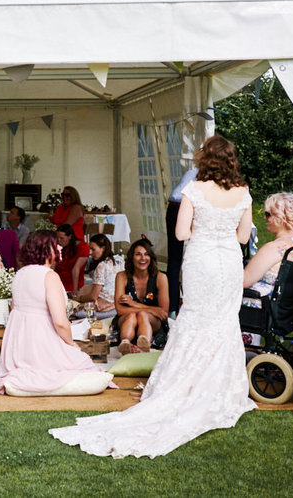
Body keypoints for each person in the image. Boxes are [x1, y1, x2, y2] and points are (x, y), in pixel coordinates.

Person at [50, 135, 255, 458]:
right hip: (228, 261)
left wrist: (205, 231)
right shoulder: (243, 191)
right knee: (224, 320)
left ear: (206, 159)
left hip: (202, 260)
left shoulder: (194, 190)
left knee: (195, 319)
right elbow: (243, 237)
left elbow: (181, 233)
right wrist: (221, 232)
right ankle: (221, 387)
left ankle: (186, 385)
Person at [0, 230, 101, 395]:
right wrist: (71, 344)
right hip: (40, 342)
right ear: (45, 248)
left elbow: (14, 309)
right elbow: (60, 322)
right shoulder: (49, 276)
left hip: (18, 345)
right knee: (84, 362)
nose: (60, 247)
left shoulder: (20, 274)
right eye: (56, 244)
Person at [242, 192, 293, 296]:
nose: (264, 218)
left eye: (268, 214)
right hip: (289, 304)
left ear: (282, 216)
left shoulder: (274, 248)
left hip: (262, 303)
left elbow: (244, 281)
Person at [114, 238, 169, 352]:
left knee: (142, 315)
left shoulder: (161, 278)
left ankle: (144, 344)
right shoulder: (121, 276)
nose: (143, 258)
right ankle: (125, 344)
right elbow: (120, 310)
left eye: (146, 254)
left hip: (153, 322)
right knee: (132, 316)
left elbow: (163, 313)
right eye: (138, 254)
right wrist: (152, 310)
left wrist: (133, 304)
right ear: (131, 257)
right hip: (126, 319)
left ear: (151, 258)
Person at [165, 167, 197, 314]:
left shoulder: (193, 171)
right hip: (182, 207)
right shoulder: (209, 175)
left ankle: (172, 308)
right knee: (181, 260)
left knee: (174, 260)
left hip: (174, 207)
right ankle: (177, 307)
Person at [76, 234, 119, 318]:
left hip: (106, 306)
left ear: (103, 248)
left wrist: (79, 299)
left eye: (93, 249)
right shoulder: (118, 260)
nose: (90, 252)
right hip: (117, 302)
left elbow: (93, 297)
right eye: (89, 249)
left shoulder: (102, 266)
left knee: (76, 312)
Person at [54, 223, 89, 295]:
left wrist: (74, 292)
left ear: (70, 236)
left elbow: (76, 269)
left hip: (72, 285)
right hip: (58, 284)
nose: (59, 241)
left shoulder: (82, 246)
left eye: (62, 238)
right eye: (57, 238)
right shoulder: (60, 246)